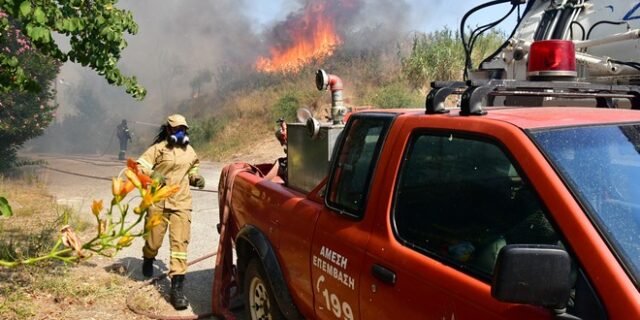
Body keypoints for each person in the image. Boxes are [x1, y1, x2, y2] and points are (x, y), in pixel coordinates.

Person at [135, 114, 205, 310]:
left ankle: (177, 289)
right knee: (153, 240)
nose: (180, 132)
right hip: (158, 201)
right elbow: (139, 168)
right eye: (176, 129)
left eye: (183, 129)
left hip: (181, 202)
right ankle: (148, 257)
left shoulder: (189, 151)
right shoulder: (157, 149)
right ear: (168, 130)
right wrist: (153, 174)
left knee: (180, 244)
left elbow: (193, 168)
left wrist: (195, 178)